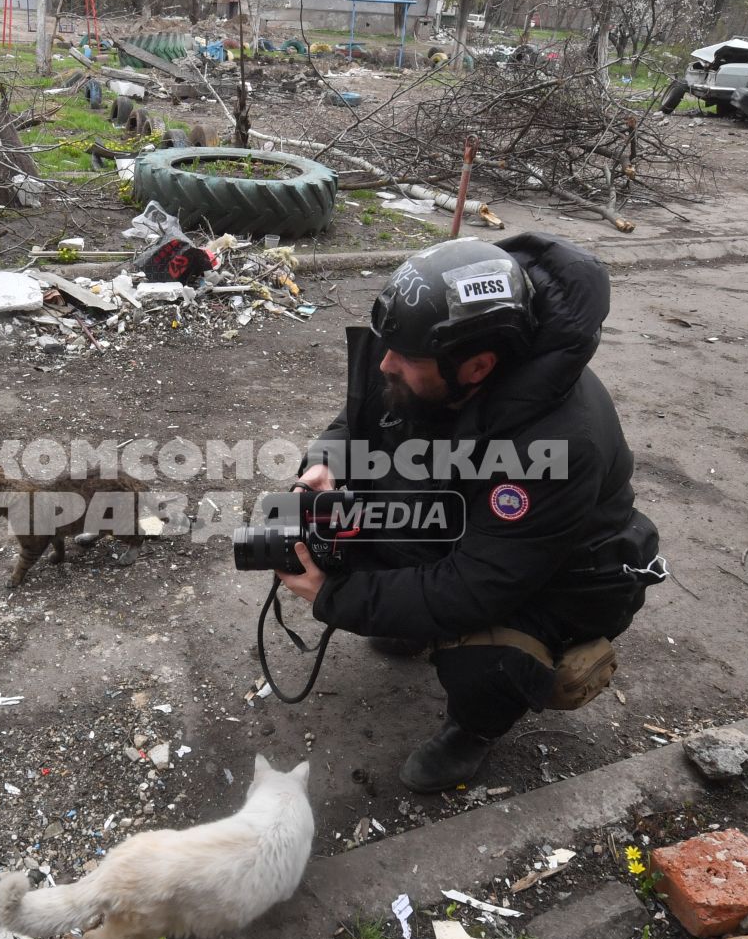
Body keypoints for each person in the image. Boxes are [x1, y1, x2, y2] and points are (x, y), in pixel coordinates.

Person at [275, 234, 664, 793]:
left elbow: (476, 587)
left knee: (487, 659)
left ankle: (475, 729)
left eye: (403, 358)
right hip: (476, 524)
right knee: (339, 524)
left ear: (477, 367)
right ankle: (408, 625)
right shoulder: (438, 363)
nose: (385, 363)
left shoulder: (558, 445)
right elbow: (362, 416)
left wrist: (330, 598)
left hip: (564, 581)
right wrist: (326, 463)